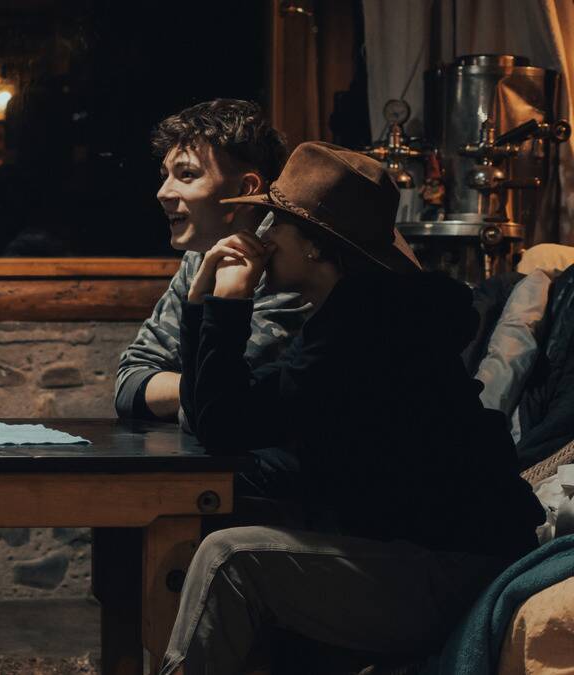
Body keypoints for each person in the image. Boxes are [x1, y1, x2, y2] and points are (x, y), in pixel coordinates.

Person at [161, 142, 544, 674]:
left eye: (277, 225)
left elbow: (224, 426)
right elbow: (219, 417)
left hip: (451, 572)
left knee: (229, 561)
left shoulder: (366, 330)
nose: (263, 239)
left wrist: (226, 303)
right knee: (240, 512)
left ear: (316, 247)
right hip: (418, 552)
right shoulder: (349, 318)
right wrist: (201, 303)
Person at [115, 99, 310, 422]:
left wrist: (193, 394)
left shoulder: (288, 266)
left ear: (246, 188)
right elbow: (130, 381)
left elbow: (224, 409)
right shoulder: (203, 256)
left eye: (186, 174)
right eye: (165, 175)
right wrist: (195, 393)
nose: (163, 192)